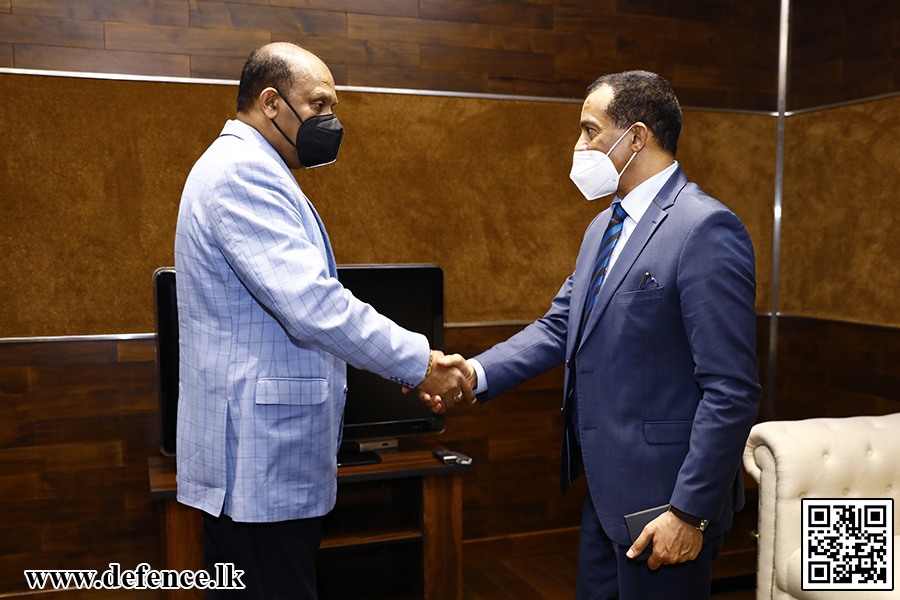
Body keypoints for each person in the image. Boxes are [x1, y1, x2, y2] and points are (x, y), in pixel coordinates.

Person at [426, 71, 761, 599]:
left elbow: (732, 390)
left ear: (636, 137)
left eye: (589, 130)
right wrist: (473, 372)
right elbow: (561, 325)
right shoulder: (601, 227)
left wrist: (688, 513)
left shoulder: (705, 228)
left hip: (668, 504)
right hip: (604, 492)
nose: (578, 146)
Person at [174, 42, 472, 599]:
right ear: (270, 103)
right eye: (317, 105)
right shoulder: (241, 173)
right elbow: (314, 306)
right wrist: (421, 363)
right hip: (257, 468)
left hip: (263, 464)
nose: (329, 121)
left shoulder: (249, 167)